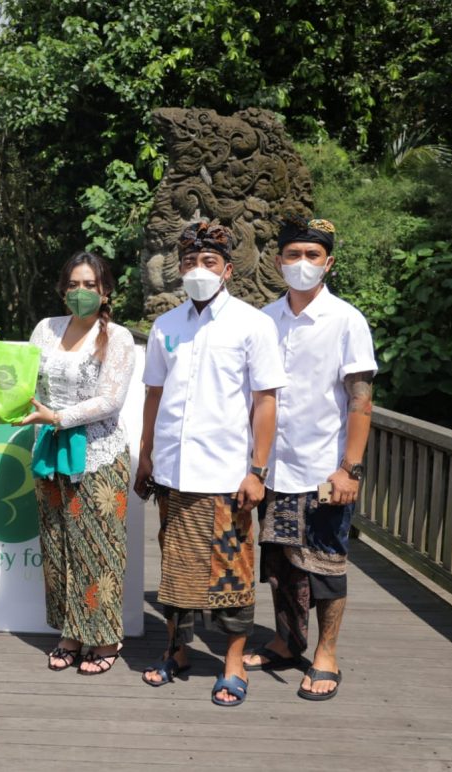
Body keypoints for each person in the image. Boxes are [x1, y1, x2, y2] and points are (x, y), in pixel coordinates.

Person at [134, 221, 286, 707]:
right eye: (189, 262)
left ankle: (233, 663)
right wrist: (145, 454)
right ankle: (176, 650)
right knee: (176, 570)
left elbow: (265, 401)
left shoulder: (252, 324)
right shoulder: (166, 326)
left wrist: (257, 471)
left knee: (231, 573)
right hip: (173, 473)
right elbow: (154, 394)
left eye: (208, 262)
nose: (198, 270)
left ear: (227, 269)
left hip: (226, 476)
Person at [242, 216, 376, 701]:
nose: (302, 263)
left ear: (328, 263)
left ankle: (326, 653)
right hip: (273, 468)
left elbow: (361, 398)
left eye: (312, 255)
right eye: (293, 254)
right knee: (280, 561)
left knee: (326, 565)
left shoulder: (346, 320)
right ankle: (286, 640)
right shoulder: (263, 319)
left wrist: (350, 468)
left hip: (323, 469)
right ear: (278, 262)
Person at [17, 252, 136, 674]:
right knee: (58, 545)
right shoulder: (46, 328)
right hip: (49, 450)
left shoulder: (117, 337)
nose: (80, 292)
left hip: (98, 454)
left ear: (105, 292)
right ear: (62, 289)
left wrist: (58, 417)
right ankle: (70, 632)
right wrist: (1, 406)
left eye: (90, 285)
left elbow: (111, 400)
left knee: (98, 547)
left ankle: (104, 638)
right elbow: (26, 382)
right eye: (73, 284)